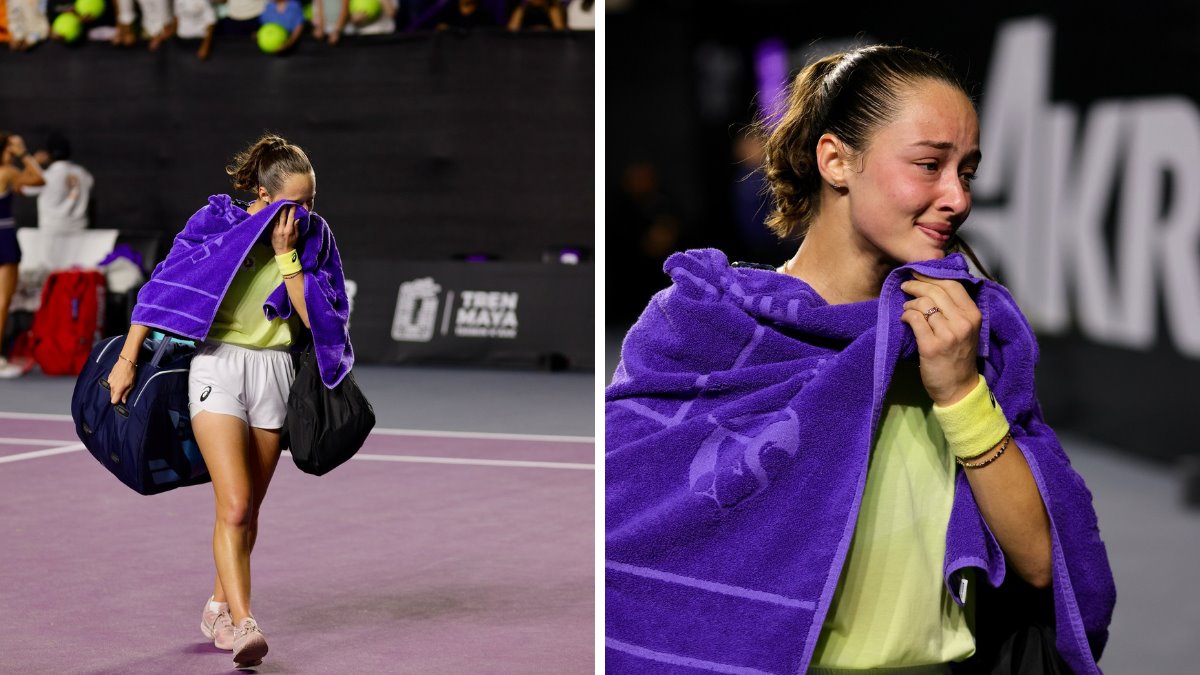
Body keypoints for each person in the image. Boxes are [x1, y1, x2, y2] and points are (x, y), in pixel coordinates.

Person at [605, 46, 1116, 674]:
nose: (957, 197)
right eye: (929, 164)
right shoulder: (703, 326)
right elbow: (624, 529)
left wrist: (958, 391)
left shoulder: (965, 334)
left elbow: (1042, 560)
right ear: (837, 161)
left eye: (968, 171)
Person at [105, 134, 354, 667]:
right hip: (217, 366)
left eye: (312, 201)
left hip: (275, 375)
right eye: (295, 202)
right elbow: (163, 288)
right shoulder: (217, 224)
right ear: (263, 196)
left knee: (249, 510)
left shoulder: (313, 239)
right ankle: (244, 624)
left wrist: (288, 259)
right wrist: (127, 358)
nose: (305, 211)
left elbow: (319, 321)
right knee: (235, 504)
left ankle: (218, 605)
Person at [0, 132, 44, 378]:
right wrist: (23, 154)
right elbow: (39, 179)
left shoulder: (9, 176)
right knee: (3, 300)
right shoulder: (6, 171)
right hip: (3, 236)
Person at [22, 131, 94, 233]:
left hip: (52, 231)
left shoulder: (46, 177)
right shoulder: (84, 174)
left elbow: (22, 188)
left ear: (48, 154)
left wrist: (33, 163)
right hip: (79, 229)